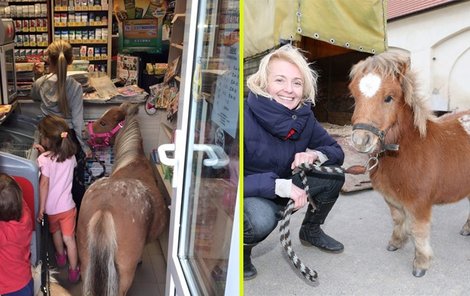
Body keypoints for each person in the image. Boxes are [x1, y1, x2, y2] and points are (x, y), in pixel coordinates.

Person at [244, 44, 345, 280]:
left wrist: (315, 155)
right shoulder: (243, 116)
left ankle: (310, 230)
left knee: (333, 176)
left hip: (288, 180)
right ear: (264, 82)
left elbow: (335, 151)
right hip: (254, 190)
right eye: (280, 80)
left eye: (297, 83)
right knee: (258, 220)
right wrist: (279, 187)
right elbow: (230, 181)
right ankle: (243, 251)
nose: (289, 90)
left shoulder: (304, 117)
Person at [31, 40, 91, 212]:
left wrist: (37, 76)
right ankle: (75, 220)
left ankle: (50, 224)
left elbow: (34, 96)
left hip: (47, 138)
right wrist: (85, 147)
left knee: (46, 180)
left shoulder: (40, 83)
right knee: (72, 181)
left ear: (48, 60)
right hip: (67, 138)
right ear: (70, 61)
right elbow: (78, 123)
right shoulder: (75, 87)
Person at [35, 115, 80, 283]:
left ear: (47, 139)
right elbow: (59, 163)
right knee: (70, 239)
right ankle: (74, 270)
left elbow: (44, 185)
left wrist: (40, 209)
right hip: (68, 207)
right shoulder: (71, 157)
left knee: (56, 232)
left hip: (51, 209)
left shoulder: (43, 160)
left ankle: (60, 257)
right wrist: (45, 153)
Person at [0, 173, 34, 296]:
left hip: (10, 289)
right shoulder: (26, 215)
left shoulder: (4, 233)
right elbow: (14, 196)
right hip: (26, 281)